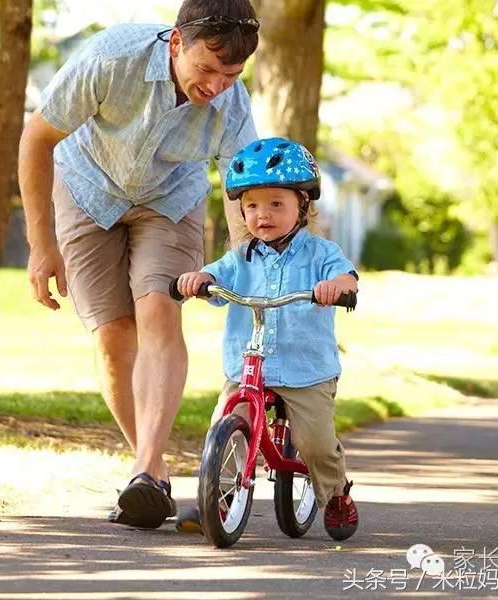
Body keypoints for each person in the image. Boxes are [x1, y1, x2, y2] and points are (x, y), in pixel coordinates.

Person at [17, 0, 260, 529]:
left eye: (231, 74)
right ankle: (152, 468)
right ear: (177, 42)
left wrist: (250, 259)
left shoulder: (232, 103)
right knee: (112, 335)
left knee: (157, 309)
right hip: (86, 188)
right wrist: (41, 244)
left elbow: (244, 187)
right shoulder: (111, 59)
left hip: (170, 200)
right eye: (207, 69)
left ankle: (146, 472)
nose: (217, 85)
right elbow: (37, 138)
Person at [174, 136, 360, 541]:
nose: (263, 214)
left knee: (314, 443)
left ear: (302, 206)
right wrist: (200, 280)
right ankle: (217, 500)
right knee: (224, 424)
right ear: (241, 210)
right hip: (247, 368)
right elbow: (215, 275)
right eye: (253, 205)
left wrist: (338, 286)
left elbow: (346, 275)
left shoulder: (320, 253)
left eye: (277, 203)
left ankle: (335, 493)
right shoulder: (239, 258)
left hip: (305, 369)